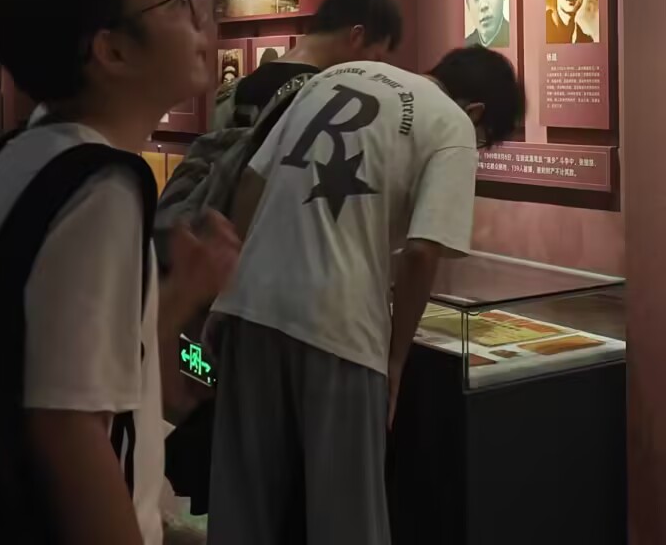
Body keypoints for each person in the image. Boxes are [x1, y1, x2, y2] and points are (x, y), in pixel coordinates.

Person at [0, 0, 241, 545]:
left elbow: (92, 372)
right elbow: (68, 431)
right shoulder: (101, 189)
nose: (196, 20)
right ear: (111, 50)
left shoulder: (25, 156)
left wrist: (178, 296)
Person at [206, 46, 525, 545]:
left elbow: (251, 182)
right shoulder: (452, 123)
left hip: (252, 306)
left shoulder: (331, 77)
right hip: (340, 326)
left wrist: (228, 287)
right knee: (347, 518)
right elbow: (421, 252)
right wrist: (394, 362)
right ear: (477, 112)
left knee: (241, 513)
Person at [214, 0, 404, 130]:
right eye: (376, 59)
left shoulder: (236, 90)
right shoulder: (323, 101)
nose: (374, 70)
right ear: (357, 36)